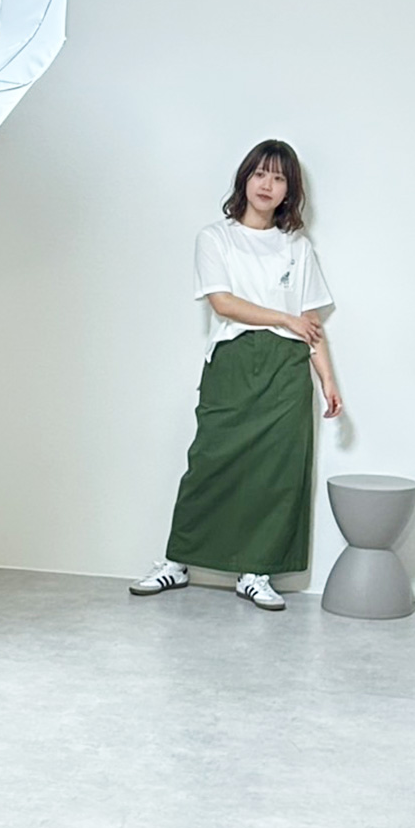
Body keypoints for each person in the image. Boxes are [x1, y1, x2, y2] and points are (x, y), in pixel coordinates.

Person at [130, 139, 342, 611]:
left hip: (287, 370)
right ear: (245, 178)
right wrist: (284, 318)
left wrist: (328, 380)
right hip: (232, 361)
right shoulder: (216, 238)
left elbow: (310, 321)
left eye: (279, 178)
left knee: (278, 472)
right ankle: (177, 562)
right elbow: (222, 303)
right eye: (260, 173)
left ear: (289, 191)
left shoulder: (297, 247)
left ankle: (256, 570)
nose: (268, 185)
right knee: (210, 460)